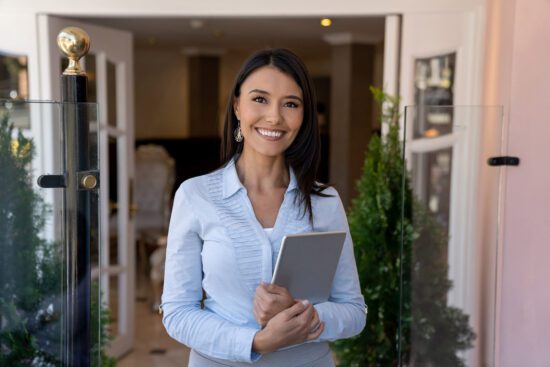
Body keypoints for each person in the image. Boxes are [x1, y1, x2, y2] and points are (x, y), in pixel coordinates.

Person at [161, 48, 366, 367]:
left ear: (303, 116)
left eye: (291, 104)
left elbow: (354, 312)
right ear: (237, 106)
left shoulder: (324, 202)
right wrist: (256, 341)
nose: (274, 117)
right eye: (260, 99)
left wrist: (299, 313)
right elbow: (177, 313)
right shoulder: (195, 195)